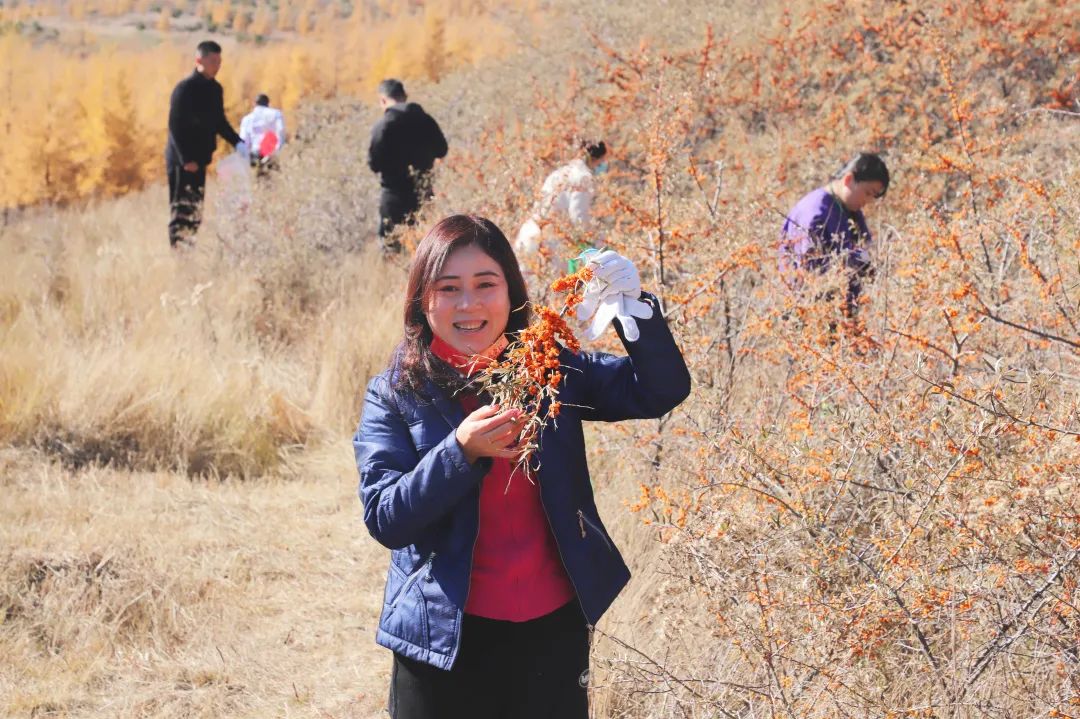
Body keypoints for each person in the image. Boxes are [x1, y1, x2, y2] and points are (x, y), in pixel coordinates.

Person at [353, 214, 690, 719]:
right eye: (449, 288)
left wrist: (632, 309)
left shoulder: (546, 367)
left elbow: (660, 389)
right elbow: (386, 516)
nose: (469, 304)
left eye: (485, 284)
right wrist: (459, 451)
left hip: (551, 627)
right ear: (424, 300)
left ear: (511, 292)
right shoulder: (398, 392)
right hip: (444, 635)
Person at [778, 152, 890, 314]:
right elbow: (812, 271)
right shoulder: (815, 212)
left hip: (839, 311)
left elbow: (867, 253)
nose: (868, 201)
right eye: (867, 193)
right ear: (849, 179)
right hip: (809, 313)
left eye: (873, 196)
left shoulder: (849, 209)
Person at [165, 40, 246, 248]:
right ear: (199, 60)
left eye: (219, 61)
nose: (217, 65)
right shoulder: (185, 89)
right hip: (182, 161)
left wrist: (238, 143)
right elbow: (175, 125)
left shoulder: (215, 89)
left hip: (200, 160)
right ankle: (178, 255)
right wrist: (186, 159)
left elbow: (219, 122)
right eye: (213, 61)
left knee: (195, 209)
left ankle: (188, 249)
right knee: (181, 209)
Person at [368, 79, 448, 253]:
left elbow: (374, 164)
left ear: (383, 100)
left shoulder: (382, 127)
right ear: (405, 96)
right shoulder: (425, 120)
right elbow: (442, 150)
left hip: (393, 197)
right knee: (426, 250)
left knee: (393, 250)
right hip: (423, 194)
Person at [515, 140, 609, 278]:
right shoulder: (583, 177)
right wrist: (595, 241)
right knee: (552, 290)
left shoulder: (559, 173)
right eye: (602, 161)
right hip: (549, 242)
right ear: (596, 159)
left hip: (529, 235)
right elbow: (578, 216)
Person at [239, 93, 286, 174]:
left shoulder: (247, 119)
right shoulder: (276, 114)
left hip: (255, 153)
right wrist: (278, 149)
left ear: (255, 104)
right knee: (275, 179)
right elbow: (281, 130)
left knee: (258, 181)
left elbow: (243, 139)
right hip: (271, 152)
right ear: (268, 103)